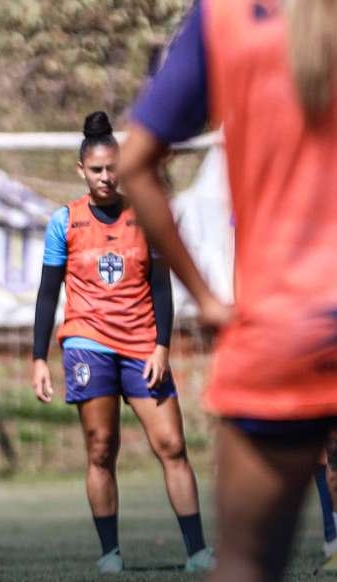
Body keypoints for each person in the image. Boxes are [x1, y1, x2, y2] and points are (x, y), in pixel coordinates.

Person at [119, 1, 337, 580]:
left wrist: (207, 296)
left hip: (287, 329)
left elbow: (135, 163)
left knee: (244, 566)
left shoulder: (228, 15)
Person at [31, 111, 213, 574]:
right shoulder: (64, 222)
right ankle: (110, 553)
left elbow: (162, 287)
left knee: (172, 444)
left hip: (142, 346)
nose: (106, 177)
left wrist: (162, 347)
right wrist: (38, 358)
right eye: (97, 170)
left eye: (113, 168)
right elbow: (48, 292)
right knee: (100, 447)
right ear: (82, 171)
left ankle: (198, 552)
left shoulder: (147, 215)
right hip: (87, 344)